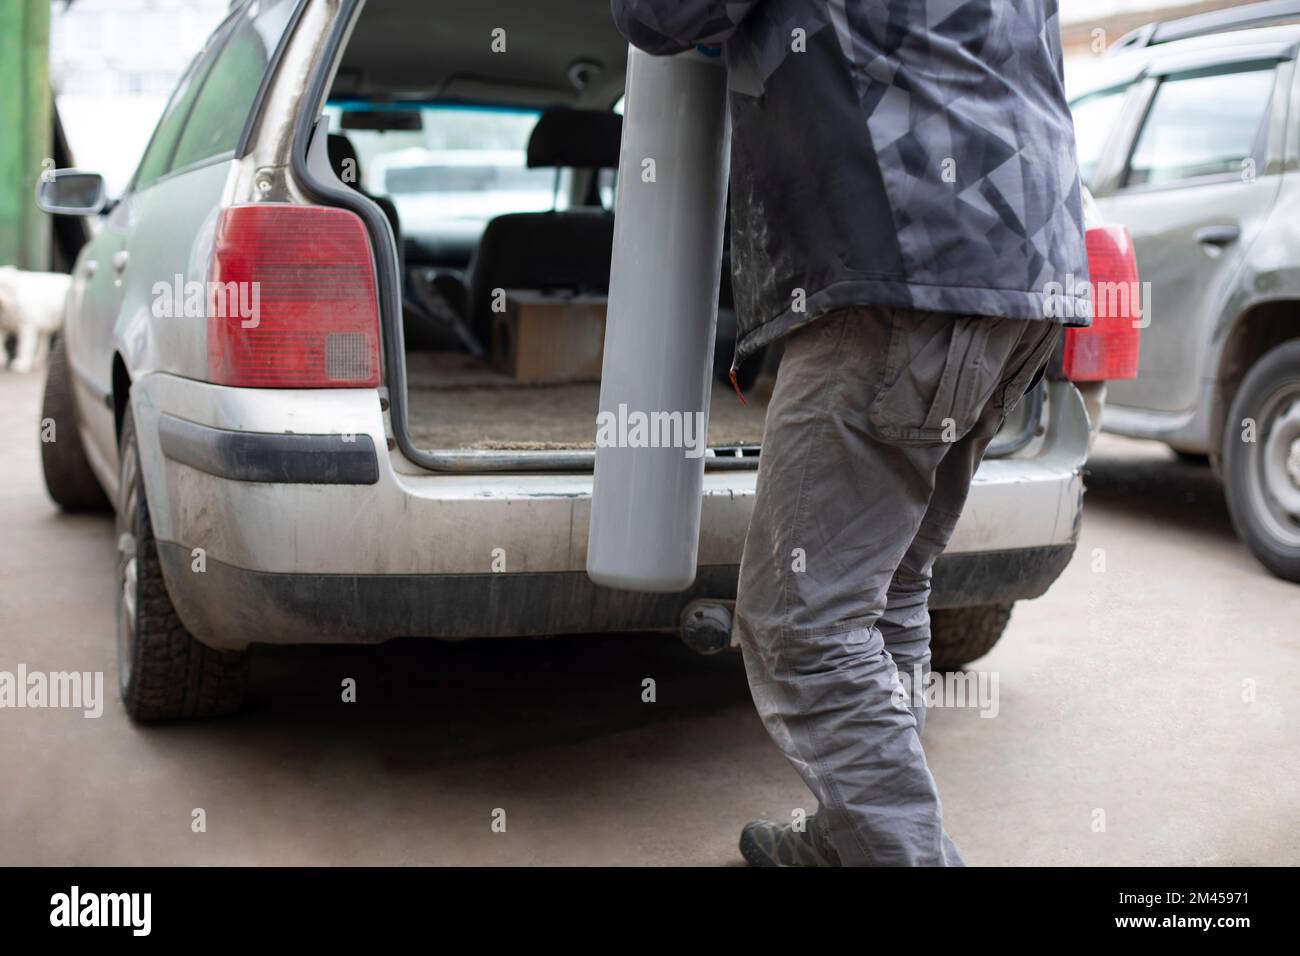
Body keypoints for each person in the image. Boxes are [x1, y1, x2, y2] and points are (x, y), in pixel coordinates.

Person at [610, 0, 1091, 866]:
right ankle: (851, 836)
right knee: (891, 584)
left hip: (905, 271)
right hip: (1025, 274)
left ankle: (902, 854)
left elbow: (658, 15)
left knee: (801, 623)